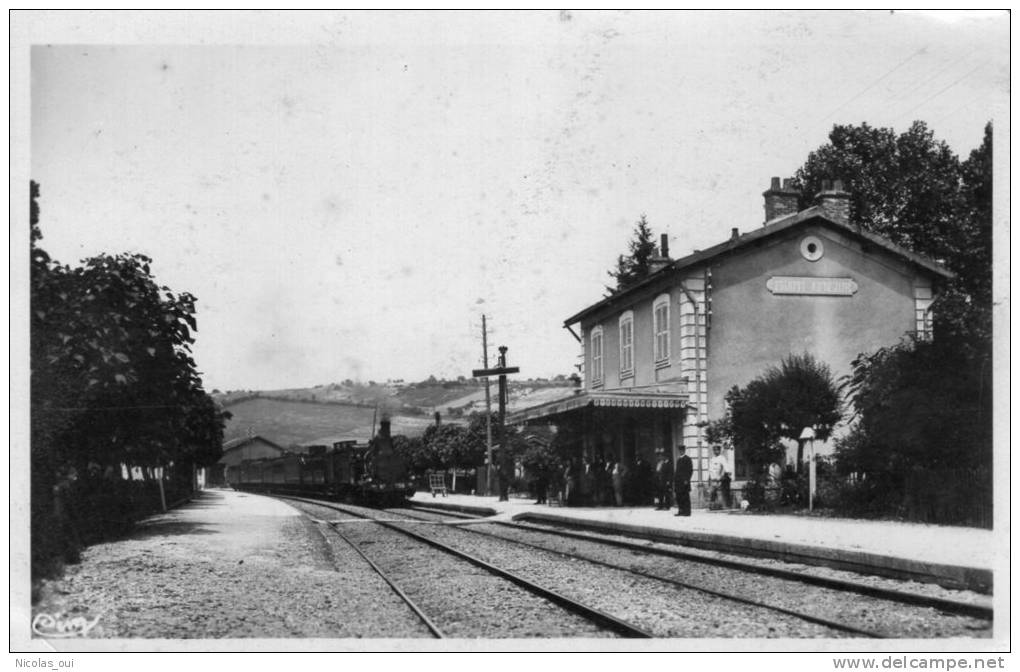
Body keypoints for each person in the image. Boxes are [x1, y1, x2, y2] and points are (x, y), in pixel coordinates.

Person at [674, 444, 694, 517]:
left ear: (684, 450)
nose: (681, 451)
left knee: (685, 497)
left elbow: (690, 470)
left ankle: (687, 512)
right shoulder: (679, 459)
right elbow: (677, 471)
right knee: (679, 497)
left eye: (682, 450)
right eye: (680, 450)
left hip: (684, 482)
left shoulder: (687, 459)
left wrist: (687, 479)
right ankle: (681, 511)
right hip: (678, 482)